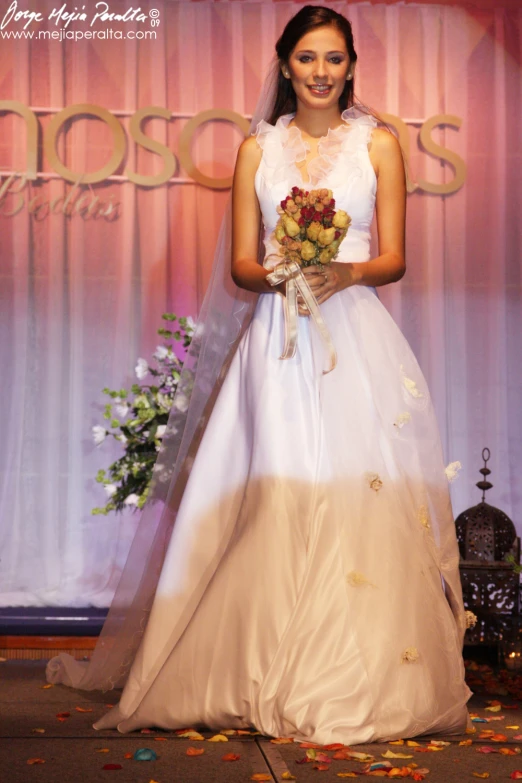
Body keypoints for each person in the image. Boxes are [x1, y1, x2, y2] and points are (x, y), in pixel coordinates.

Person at [46, 5, 473, 745]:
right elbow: (242, 263)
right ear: (285, 65)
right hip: (278, 340)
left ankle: (350, 670)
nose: (320, 72)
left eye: (333, 59)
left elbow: (395, 256)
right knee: (274, 495)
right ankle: (256, 664)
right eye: (307, 58)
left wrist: (342, 269)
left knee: (355, 495)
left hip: (353, 333)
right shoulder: (257, 151)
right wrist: (284, 271)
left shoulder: (378, 144)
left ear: (350, 67)